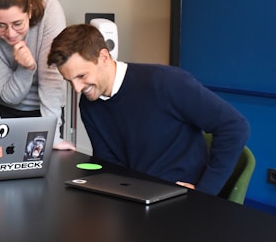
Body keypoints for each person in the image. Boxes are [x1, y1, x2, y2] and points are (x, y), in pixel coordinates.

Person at [47, 23, 250, 195]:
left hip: (182, 199)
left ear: (104, 58)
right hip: (138, 197)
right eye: (69, 81)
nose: (77, 88)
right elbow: (109, 164)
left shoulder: (165, 82)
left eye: (81, 76)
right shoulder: (89, 105)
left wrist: (204, 192)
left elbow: (234, 127)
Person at [0, 0, 76, 151]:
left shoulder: (49, 8)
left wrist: (52, 136)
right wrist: (26, 68)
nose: (10, 33)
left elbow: (52, 78)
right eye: (0, 25)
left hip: (49, 110)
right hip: (5, 112)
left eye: (17, 24)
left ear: (30, 11)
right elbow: (9, 95)